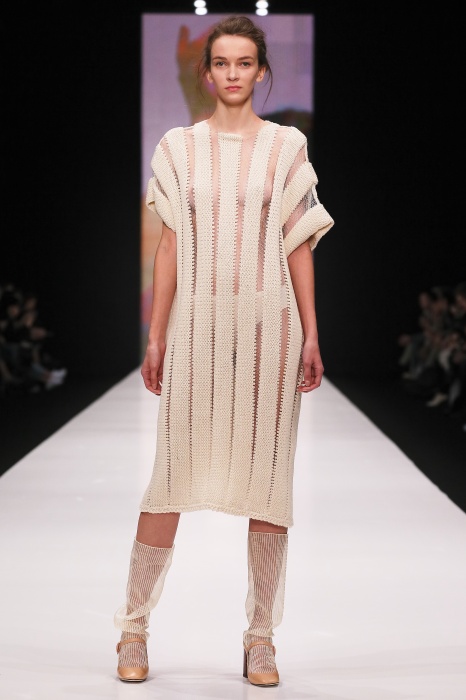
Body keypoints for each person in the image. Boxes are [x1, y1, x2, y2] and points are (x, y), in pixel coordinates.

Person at [114, 15, 334, 687]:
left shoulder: (287, 146)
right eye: (222, 62)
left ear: (261, 71)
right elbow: (169, 245)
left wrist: (312, 331)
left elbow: (298, 243)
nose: (233, 73)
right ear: (206, 73)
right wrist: (155, 335)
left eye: (244, 62)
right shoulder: (178, 148)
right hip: (198, 331)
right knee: (170, 480)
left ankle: (261, 639)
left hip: (271, 330)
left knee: (269, 483)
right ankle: (132, 629)